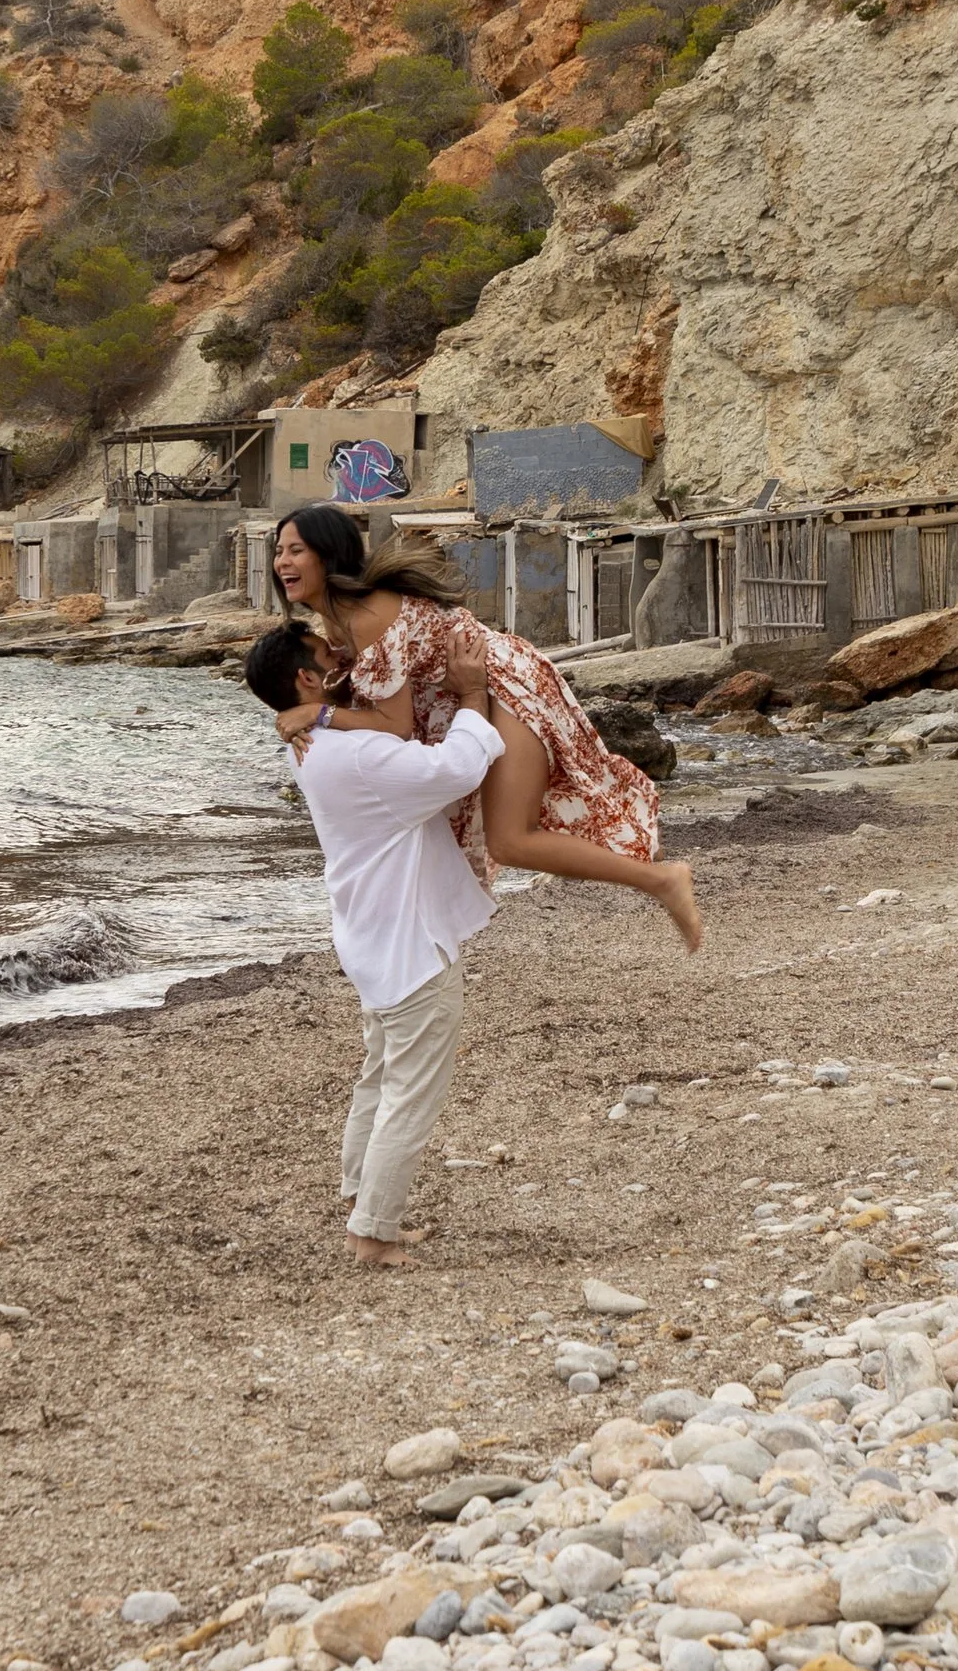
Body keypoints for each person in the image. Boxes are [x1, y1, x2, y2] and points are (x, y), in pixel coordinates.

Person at [268, 502, 701, 955]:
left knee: (513, 839)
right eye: (279, 551)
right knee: (510, 836)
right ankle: (653, 874)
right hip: (467, 698)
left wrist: (319, 717)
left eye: (295, 550)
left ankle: (663, 880)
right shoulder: (335, 624)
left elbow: (392, 728)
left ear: (327, 554)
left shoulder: (365, 617)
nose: (282, 562)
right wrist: (301, 720)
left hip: (501, 684)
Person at [244, 615, 503, 1265]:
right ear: (307, 677)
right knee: (410, 1091)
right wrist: (472, 695)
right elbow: (459, 768)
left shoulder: (310, 745)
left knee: (381, 1074)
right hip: (408, 949)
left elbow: (366, 722)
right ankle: (372, 1232)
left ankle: (359, 1193)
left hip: (370, 937)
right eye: (324, 653)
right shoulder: (352, 751)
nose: (339, 655)